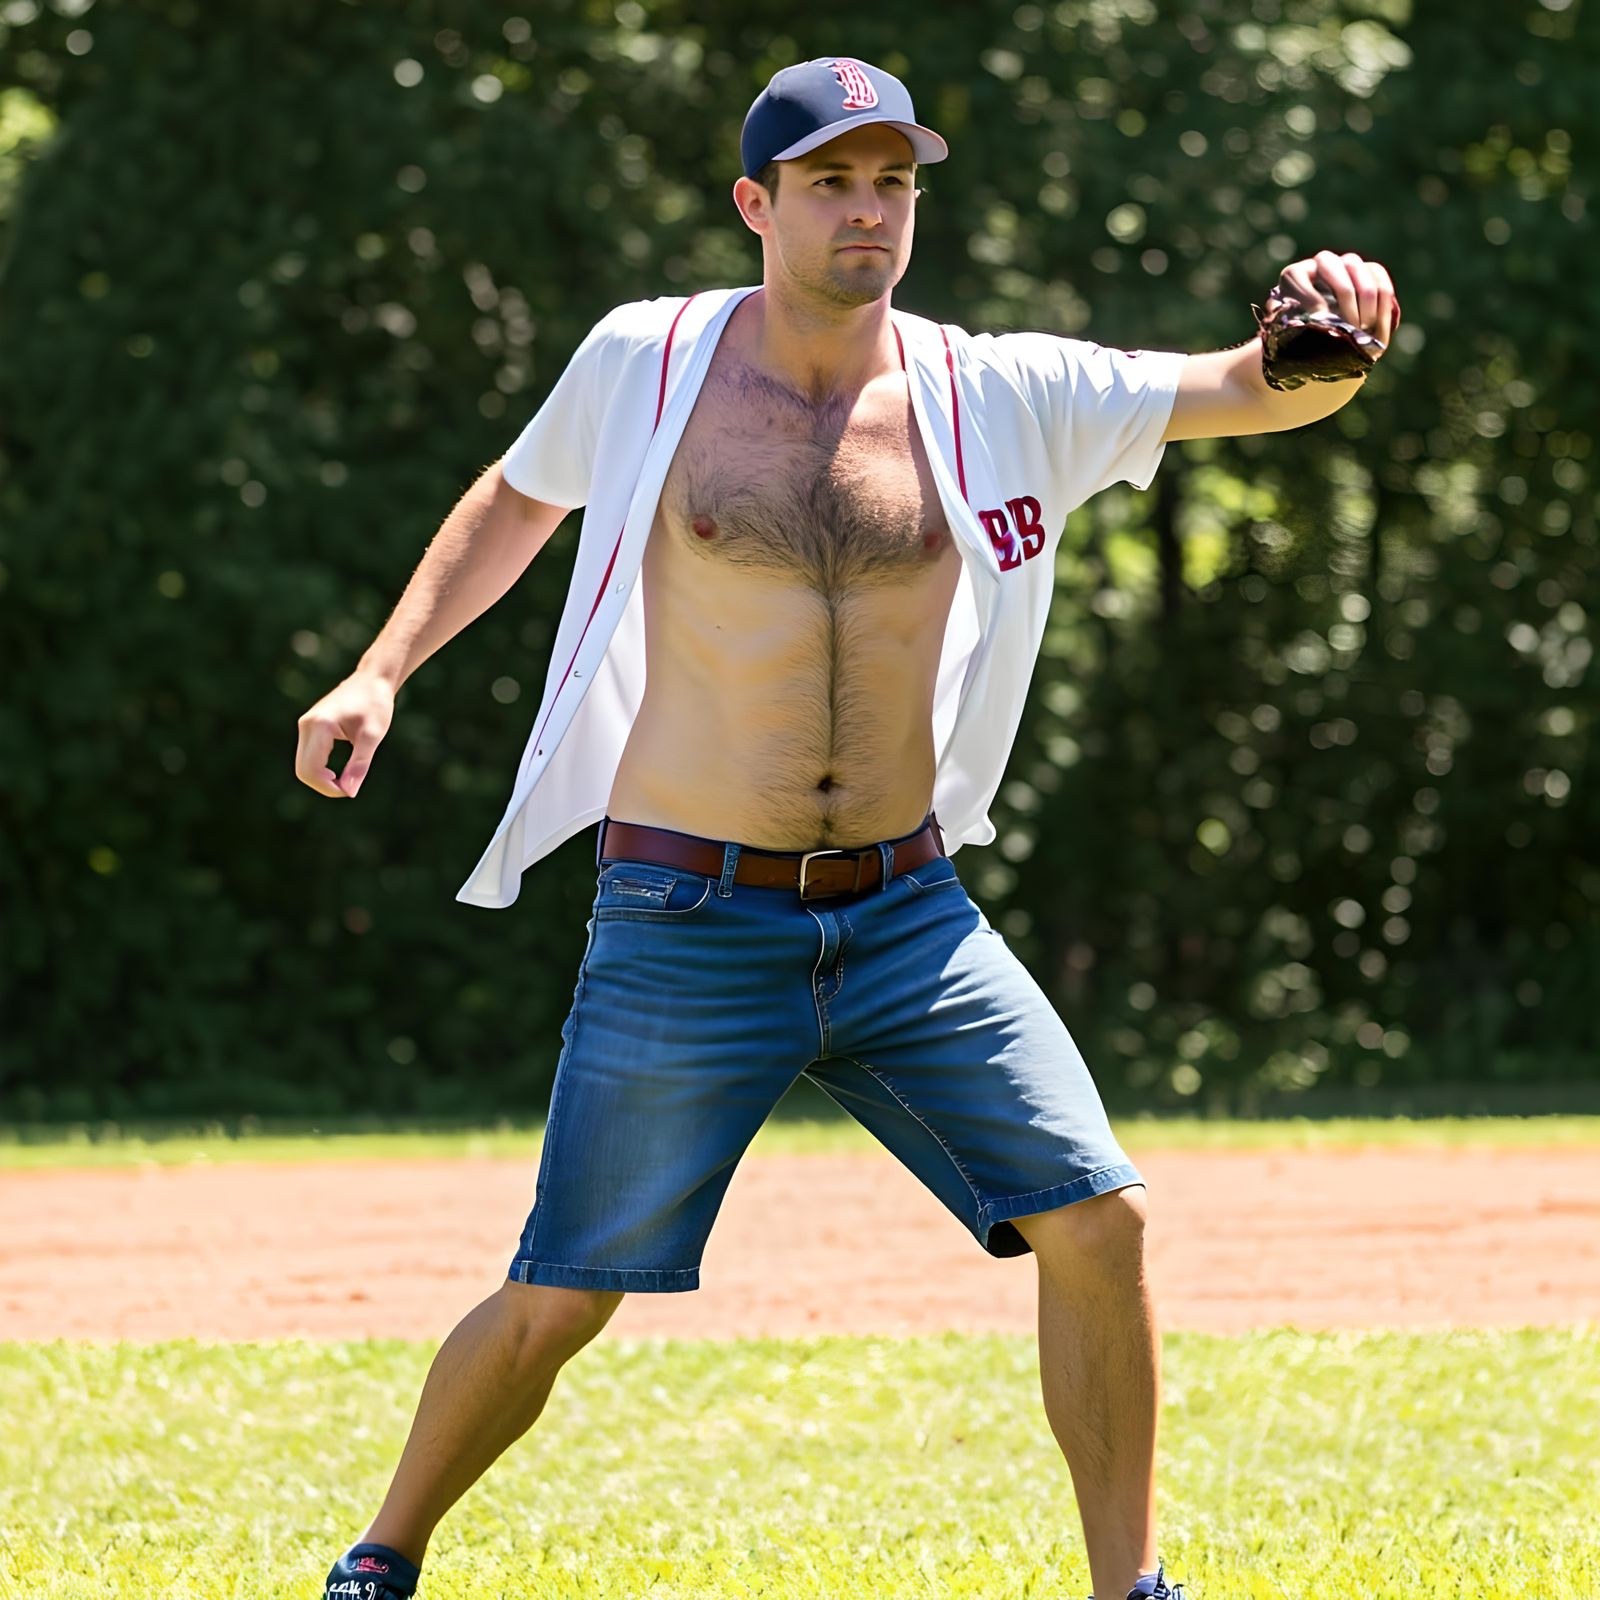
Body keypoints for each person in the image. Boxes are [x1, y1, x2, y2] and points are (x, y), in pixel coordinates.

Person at [298, 53, 1397, 1600]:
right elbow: (517, 496)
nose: (870, 210)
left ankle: (1131, 1590)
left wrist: (1339, 335)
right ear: (757, 203)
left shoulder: (991, 390)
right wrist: (380, 668)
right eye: (833, 181)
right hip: (688, 920)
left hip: (907, 917)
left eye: (894, 182)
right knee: (560, 1297)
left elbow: (1245, 386)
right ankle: (381, 1556)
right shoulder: (648, 362)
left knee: (1101, 1220)